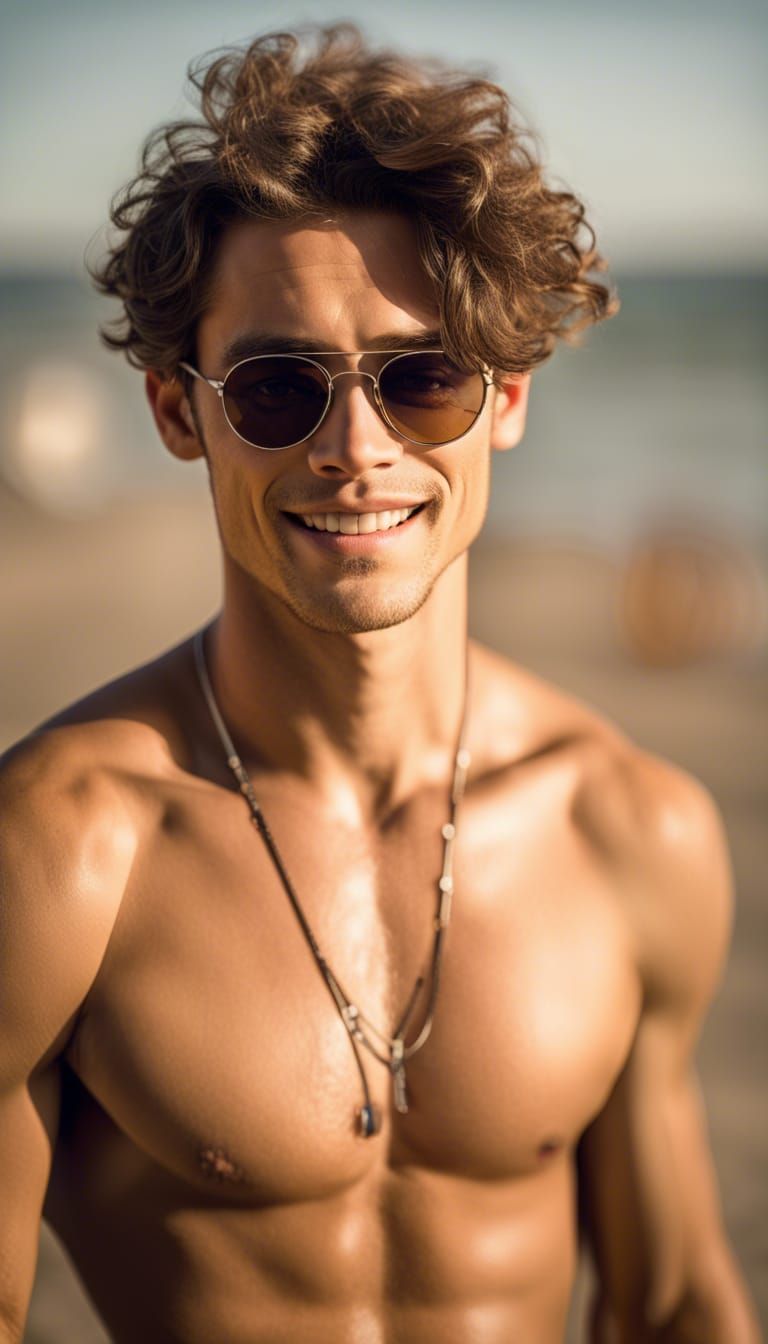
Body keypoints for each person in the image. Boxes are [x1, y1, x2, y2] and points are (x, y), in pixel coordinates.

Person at [0, 24, 760, 1344]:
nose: (358, 450)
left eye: (423, 379)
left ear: (508, 394)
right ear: (180, 415)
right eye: (280, 387)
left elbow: (679, 1297)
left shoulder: (634, 832)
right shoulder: (62, 855)